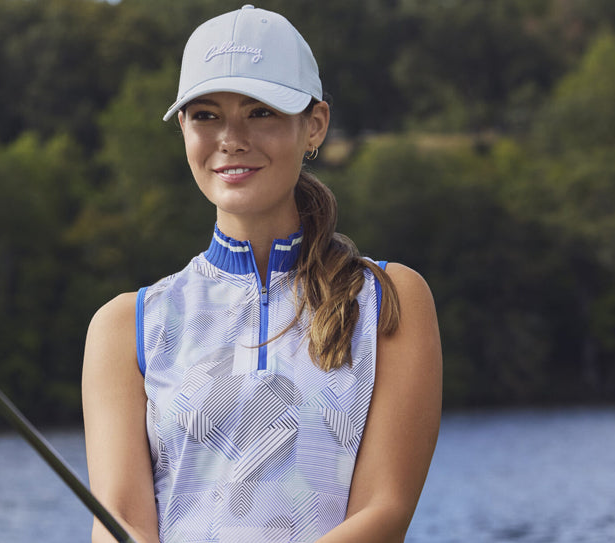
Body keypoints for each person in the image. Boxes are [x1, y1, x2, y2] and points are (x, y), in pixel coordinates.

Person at [81, 5, 442, 542]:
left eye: (261, 112)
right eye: (206, 115)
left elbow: (384, 512)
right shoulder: (124, 326)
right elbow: (121, 523)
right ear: (183, 127)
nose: (232, 137)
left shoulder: (390, 299)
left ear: (314, 124)